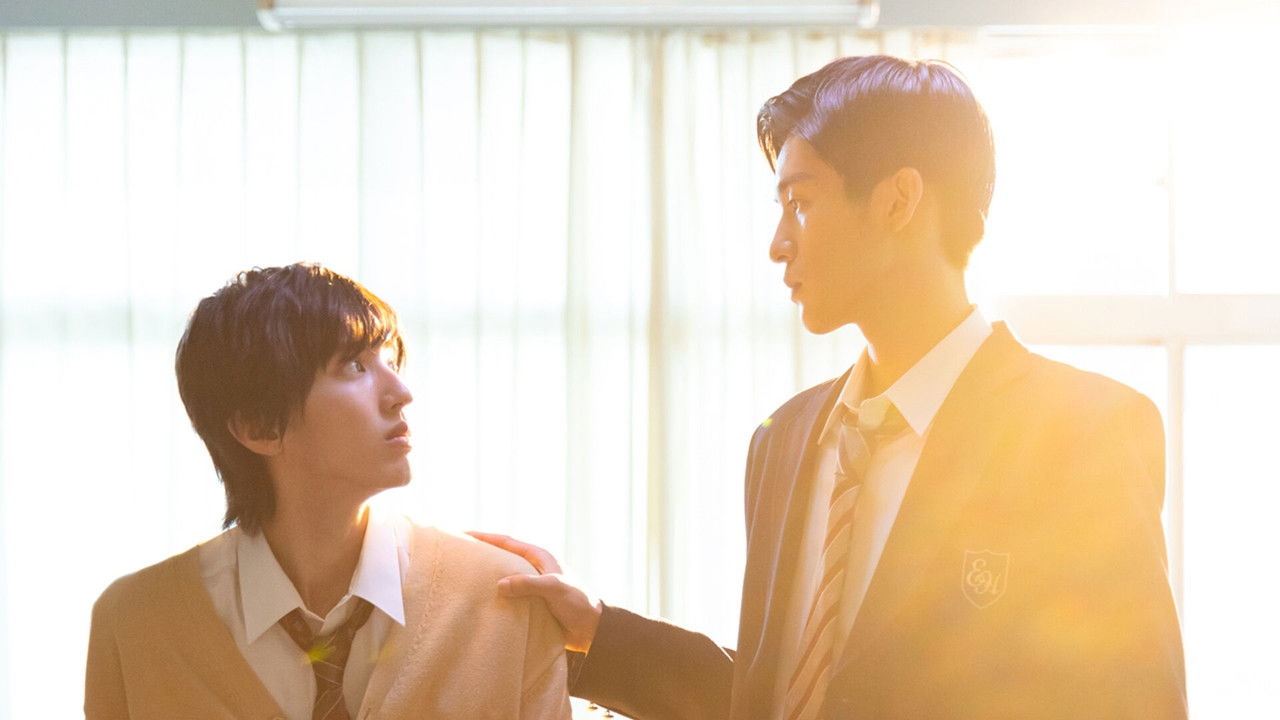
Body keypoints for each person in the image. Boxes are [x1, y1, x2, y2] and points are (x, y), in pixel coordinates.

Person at [473, 55, 1187, 719]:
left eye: (801, 202)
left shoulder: (1082, 433)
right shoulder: (785, 441)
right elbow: (783, 694)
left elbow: (1134, 702)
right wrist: (598, 633)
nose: (777, 243)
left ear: (899, 201)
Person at [85, 263, 571, 720]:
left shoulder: (504, 598)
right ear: (258, 427)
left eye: (389, 361)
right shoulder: (135, 622)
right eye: (355, 366)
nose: (400, 393)